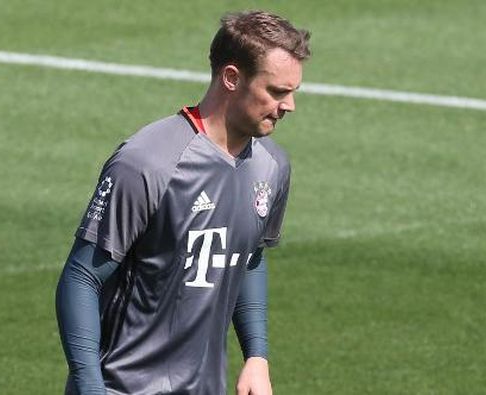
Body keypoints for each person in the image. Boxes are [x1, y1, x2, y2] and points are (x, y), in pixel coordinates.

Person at [56, 10, 311, 395]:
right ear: (231, 78)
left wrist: (257, 358)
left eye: (293, 92)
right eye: (276, 91)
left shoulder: (271, 166)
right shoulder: (147, 163)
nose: (289, 105)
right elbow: (82, 277)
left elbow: (249, 257)